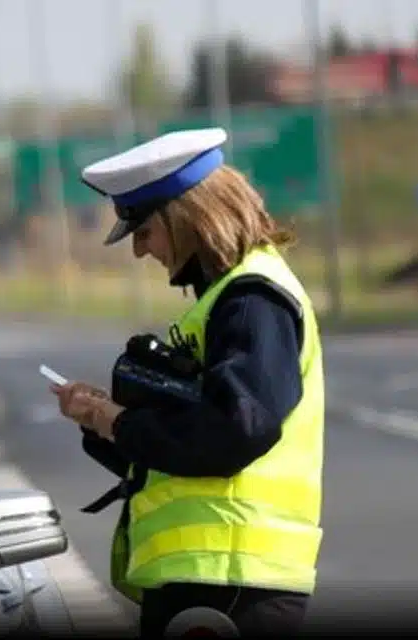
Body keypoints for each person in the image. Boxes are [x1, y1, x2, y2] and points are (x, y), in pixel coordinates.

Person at [49, 127, 325, 637]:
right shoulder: (227, 299)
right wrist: (104, 420)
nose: (138, 252)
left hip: (229, 579)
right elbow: (185, 451)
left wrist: (122, 421)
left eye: (143, 231)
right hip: (217, 581)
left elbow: (235, 430)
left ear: (188, 218)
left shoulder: (251, 299)